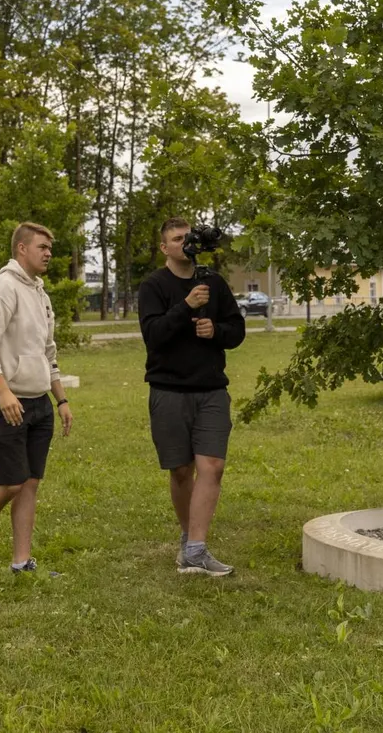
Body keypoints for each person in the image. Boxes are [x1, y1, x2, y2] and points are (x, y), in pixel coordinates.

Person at [0, 222, 73, 574]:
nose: (48, 253)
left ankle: (21, 562)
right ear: (21, 249)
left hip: (38, 403)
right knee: (11, 481)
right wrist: (4, 391)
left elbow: (47, 351)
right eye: (41, 246)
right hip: (2, 403)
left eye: (49, 247)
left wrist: (61, 399)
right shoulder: (2, 288)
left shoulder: (39, 292)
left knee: (30, 483)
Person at [137, 217, 246, 576]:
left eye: (189, 237)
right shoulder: (154, 286)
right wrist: (185, 306)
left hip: (212, 389)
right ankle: (187, 542)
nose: (185, 243)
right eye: (177, 238)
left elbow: (237, 330)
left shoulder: (213, 282)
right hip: (169, 391)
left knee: (211, 466)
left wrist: (216, 330)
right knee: (182, 471)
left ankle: (198, 550)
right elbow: (153, 334)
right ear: (164, 247)